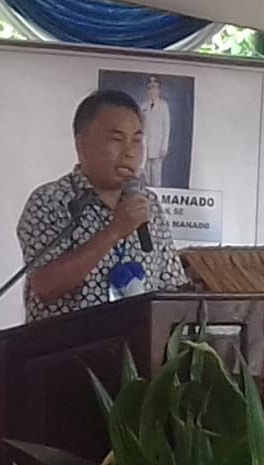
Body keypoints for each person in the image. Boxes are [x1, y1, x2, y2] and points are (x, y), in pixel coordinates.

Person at [16, 89, 189, 322]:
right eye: (117, 140)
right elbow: (45, 286)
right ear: (81, 145)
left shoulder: (149, 205)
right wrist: (114, 231)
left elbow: (172, 287)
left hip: (135, 343)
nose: (130, 152)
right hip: (67, 344)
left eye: (137, 140)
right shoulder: (49, 200)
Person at [140, 77, 172, 188]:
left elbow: (166, 127)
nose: (152, 91)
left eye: (155, 88)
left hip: (158, 146)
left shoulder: (163, 105)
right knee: (146, 174)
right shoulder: (143, 106)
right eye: (150, 89)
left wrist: (164, 147)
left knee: (156, 174)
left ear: (159, 91)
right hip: (146, 144)